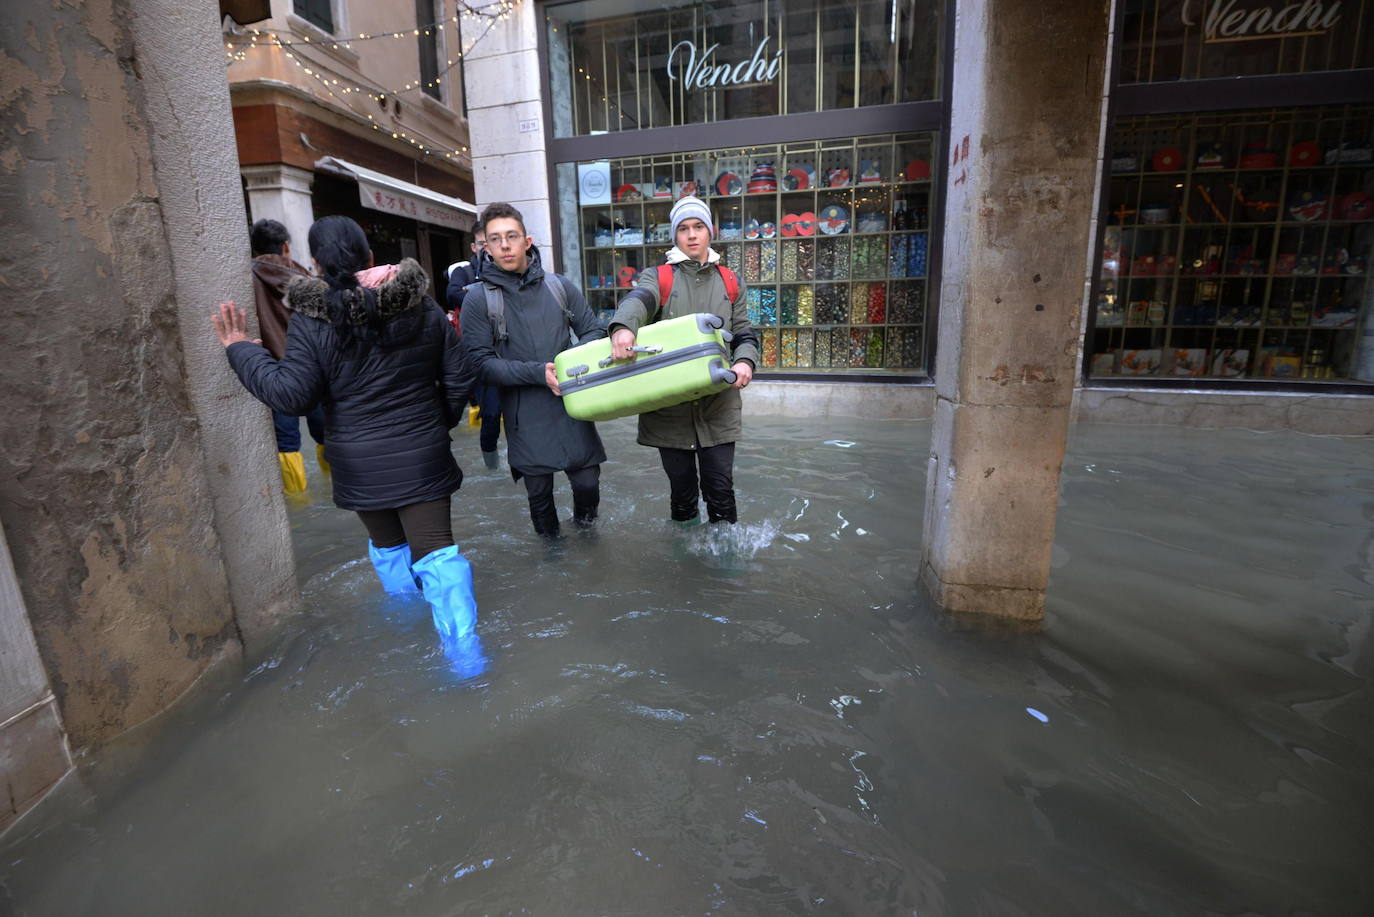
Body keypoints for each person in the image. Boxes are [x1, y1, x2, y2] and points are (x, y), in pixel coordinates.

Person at [213, 215, 484, 675]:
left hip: (358, 462)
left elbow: (292, 395)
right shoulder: (423, 305)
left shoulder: (312, 321)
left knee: (389, 547)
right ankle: (467, 659)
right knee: (438, 552)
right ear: (372, 257)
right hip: (422, 453)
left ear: (314, 265)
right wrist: (436, 423)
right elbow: (460, 376)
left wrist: (241, 346)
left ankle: (407, 627)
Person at [608, 196, 759, 525]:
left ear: (710, 232)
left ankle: (723, 567)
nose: (692, 235)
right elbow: (639, 300)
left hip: (718, 404)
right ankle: (685, 558)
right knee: (682, 491)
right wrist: (622, 328)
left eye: (698, 227)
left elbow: (745, 333)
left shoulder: (731, 282)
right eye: (684, 229)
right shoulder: (659, 277)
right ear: (675, 235)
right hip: (669, 409)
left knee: (721, 490)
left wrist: (745, 362)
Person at [459, 202, 606, 536]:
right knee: (539, 497)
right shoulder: (479, 299)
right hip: (523, 412)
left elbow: (594, 332)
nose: (505, 245)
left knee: (588, 483)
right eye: (495, 239)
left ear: (527, 240)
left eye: (512, 236)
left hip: (571, 402)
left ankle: (587, 546)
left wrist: (569, 368)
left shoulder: (559, 286)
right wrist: (539, 373)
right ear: (486, 247)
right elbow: (480, 365)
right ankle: (553, 561)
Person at [249, 218, 326, 491]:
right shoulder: (303, 276)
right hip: (312, 368)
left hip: (275, 372)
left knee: (287, 443)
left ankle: (296, 499)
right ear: (285, 246)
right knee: (327, 435)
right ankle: (337, 489)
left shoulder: (245, 278)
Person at [444, 224, 504, 470]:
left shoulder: (506, 268)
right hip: (478, 355)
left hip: (510, 349)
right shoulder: (463, 270)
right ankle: (492, 466)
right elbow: (453, 294)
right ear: (474, 246)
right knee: (489, 414)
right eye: (482, 243)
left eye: (490, 242)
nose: (486, 248)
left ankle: (524, 464)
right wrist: (487, 295)